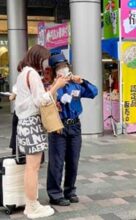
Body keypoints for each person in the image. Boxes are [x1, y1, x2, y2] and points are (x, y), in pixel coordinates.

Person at [15, 45, 68, 219]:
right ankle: (32, 207)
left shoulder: (23, 73)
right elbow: (41, 101)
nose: (44, 64)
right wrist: (56, 86)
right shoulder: (32, 74)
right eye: (43, 59)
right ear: (37, 58)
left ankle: (31, 204)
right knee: (33, 168)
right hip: (32, 124)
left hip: (24, 124)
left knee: (30, 167)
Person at [47, 53, 98, 206]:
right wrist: (57, 89)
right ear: (54, 70)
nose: (63, 69)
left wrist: (81, 81)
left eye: (65, 66)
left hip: (74, 125)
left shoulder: (75, 84)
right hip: (58, 127)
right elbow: (47, 101)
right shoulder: (51, 86)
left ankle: (70, 191)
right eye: (59, 67)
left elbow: (93, 92)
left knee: (73, 160)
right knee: (57, 162)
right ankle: (55, 194)